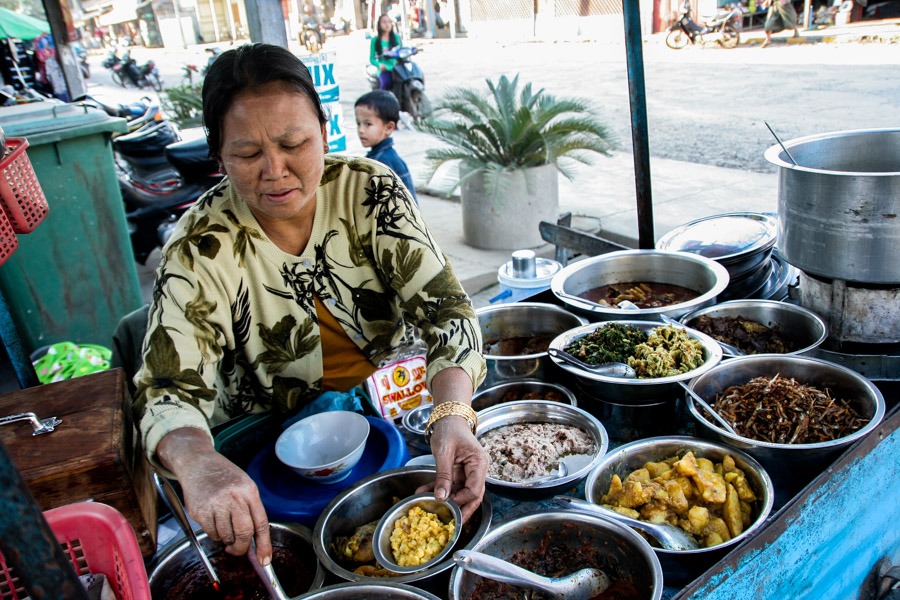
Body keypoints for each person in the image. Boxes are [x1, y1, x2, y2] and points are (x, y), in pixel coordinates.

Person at [133, 43, 487, 567]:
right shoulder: (199, 244)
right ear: (218, 156)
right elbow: (168, 390)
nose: (274, 170)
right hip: (266, 449)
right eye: (248, 154)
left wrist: (453, 414)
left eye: (293, 142)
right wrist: (197, 460)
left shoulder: (370, 193)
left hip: (392, 412)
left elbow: (447, 312)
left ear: (324, 132)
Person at [354, 90, 417, 203]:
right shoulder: (379, 157)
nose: (361, 130)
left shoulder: (382, 162)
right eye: (358, 123)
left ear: (388, 128)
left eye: (368, 124)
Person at [370, 13, 400, 91]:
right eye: (384, 22)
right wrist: (379, 65)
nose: (387, 24)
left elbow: (401, 51)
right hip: (384, 69)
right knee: (386, 84)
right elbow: (372, 59)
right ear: (379, 25)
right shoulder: (375, 40)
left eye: (389, 22)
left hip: (397, 67)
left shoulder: (396, 37)